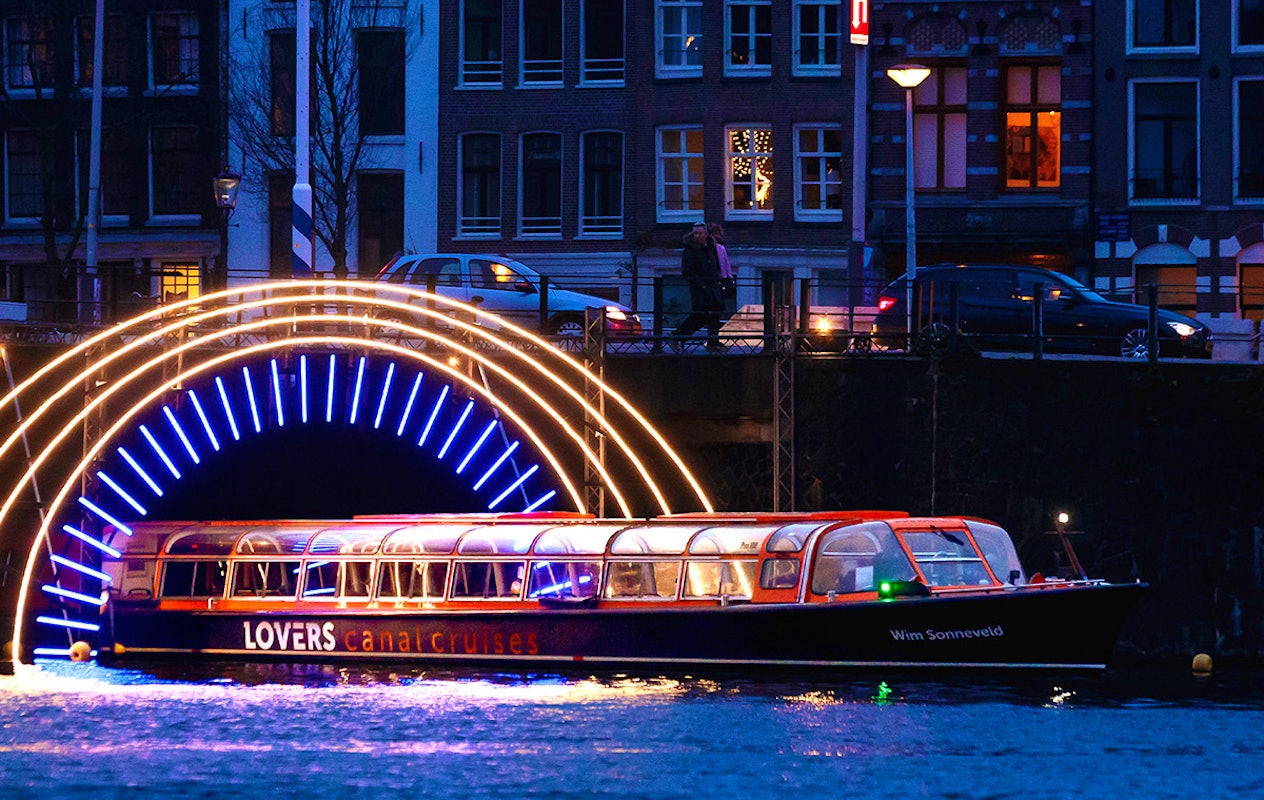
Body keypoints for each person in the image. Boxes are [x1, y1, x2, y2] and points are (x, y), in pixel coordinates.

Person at [674, 221, 724, 351]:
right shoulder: (690, 250)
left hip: (712, 286)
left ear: (706, 234)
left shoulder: (710, 248)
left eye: (700, 233)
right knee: (700, 316)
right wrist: (700, 284)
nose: (697, 236)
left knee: (714, 314)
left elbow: (715, 266)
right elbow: (687, 271)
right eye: (695, 233)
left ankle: (713, 342)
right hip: (700, 288)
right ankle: (677, 336)